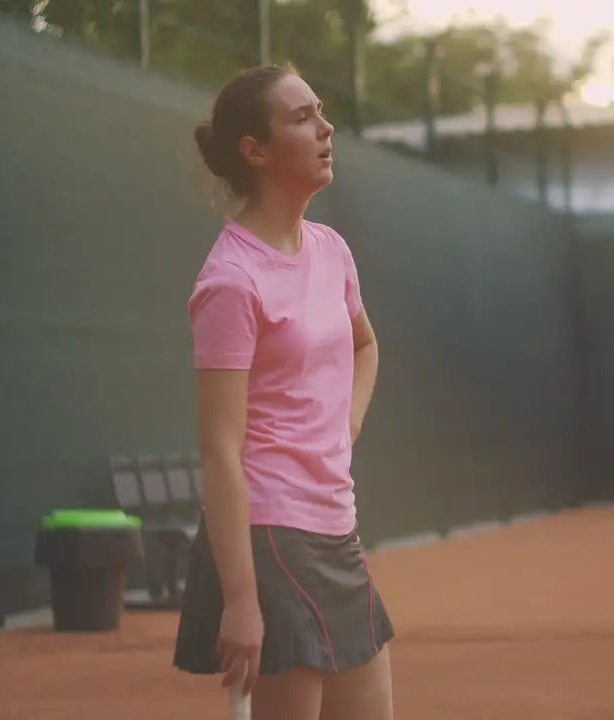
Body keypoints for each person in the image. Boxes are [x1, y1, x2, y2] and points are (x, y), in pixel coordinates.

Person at [172, 64, 394, 720]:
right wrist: (241, 599)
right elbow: (219, 449)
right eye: (302, 118)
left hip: (336, 526)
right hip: (269, 535)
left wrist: (343, 428)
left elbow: (364, 345)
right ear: (255, 151)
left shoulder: (331, 251)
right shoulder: (231, 282)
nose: (326, 128)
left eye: (320, 112)